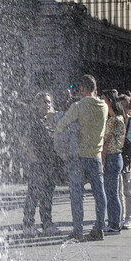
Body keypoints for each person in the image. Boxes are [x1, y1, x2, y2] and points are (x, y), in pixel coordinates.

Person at [55, 75, 109, 240]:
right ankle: (99, 227)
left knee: (77, 194)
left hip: (78, 156)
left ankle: (78, 230)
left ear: (83, 89)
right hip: (96, 156)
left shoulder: (77, 106)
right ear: (95, 90)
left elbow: (61, 125)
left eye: (79, 90)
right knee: (99, 193)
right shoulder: (104, 106)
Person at [20, 92, 57, 234]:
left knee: (48, 194)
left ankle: (47, 224)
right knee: (34, 194)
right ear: (37, 104)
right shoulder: (32, 119)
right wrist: (32, 157)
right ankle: (28, 225)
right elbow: (23, 140)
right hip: (37, 162)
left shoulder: (50, 119)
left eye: (49, 102)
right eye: (44, 102)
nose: (48, 105)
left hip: (50, 162)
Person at [101, 90, 126, 234]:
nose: (102, 101)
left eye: (103, 98)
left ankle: (114, 223)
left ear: (109, 100)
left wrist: (103, 161)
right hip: (117, 157)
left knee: (111, 193)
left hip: (111, 157)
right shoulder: (119, 118)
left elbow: (106, 143)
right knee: (113, 192)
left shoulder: (113, 120)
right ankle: (115, 222)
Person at [119, 94, 131, 231]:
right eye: (122, 104)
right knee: (118, 190)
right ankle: (120, 217)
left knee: (128, 189)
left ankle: (129, 218)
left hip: (129, 158)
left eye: (126, 104)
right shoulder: (115, 118)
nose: (124, 107)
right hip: (116, 156)